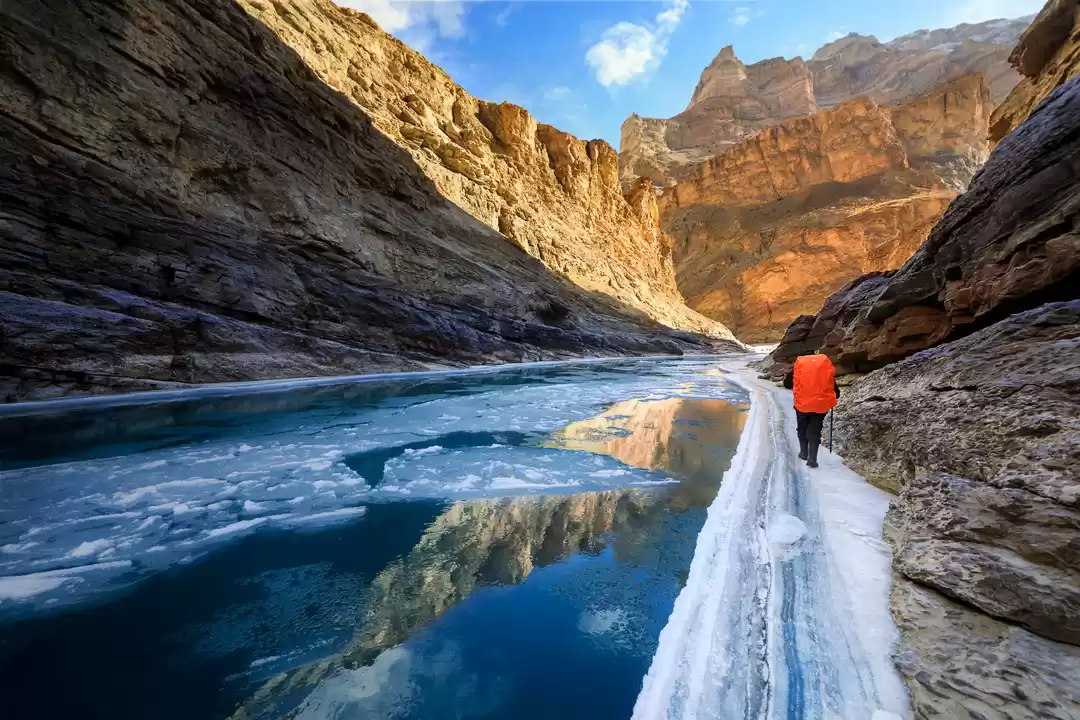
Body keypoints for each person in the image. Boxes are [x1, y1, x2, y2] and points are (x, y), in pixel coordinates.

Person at [782, 353, 840, 469]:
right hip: (820, 406)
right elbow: (835, 390)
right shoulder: (823, 370)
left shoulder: (798, 370)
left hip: (802, 405)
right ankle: (812, 459)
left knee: (802, 427)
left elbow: (787, 384)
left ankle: (804, 453)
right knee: (815, 430)